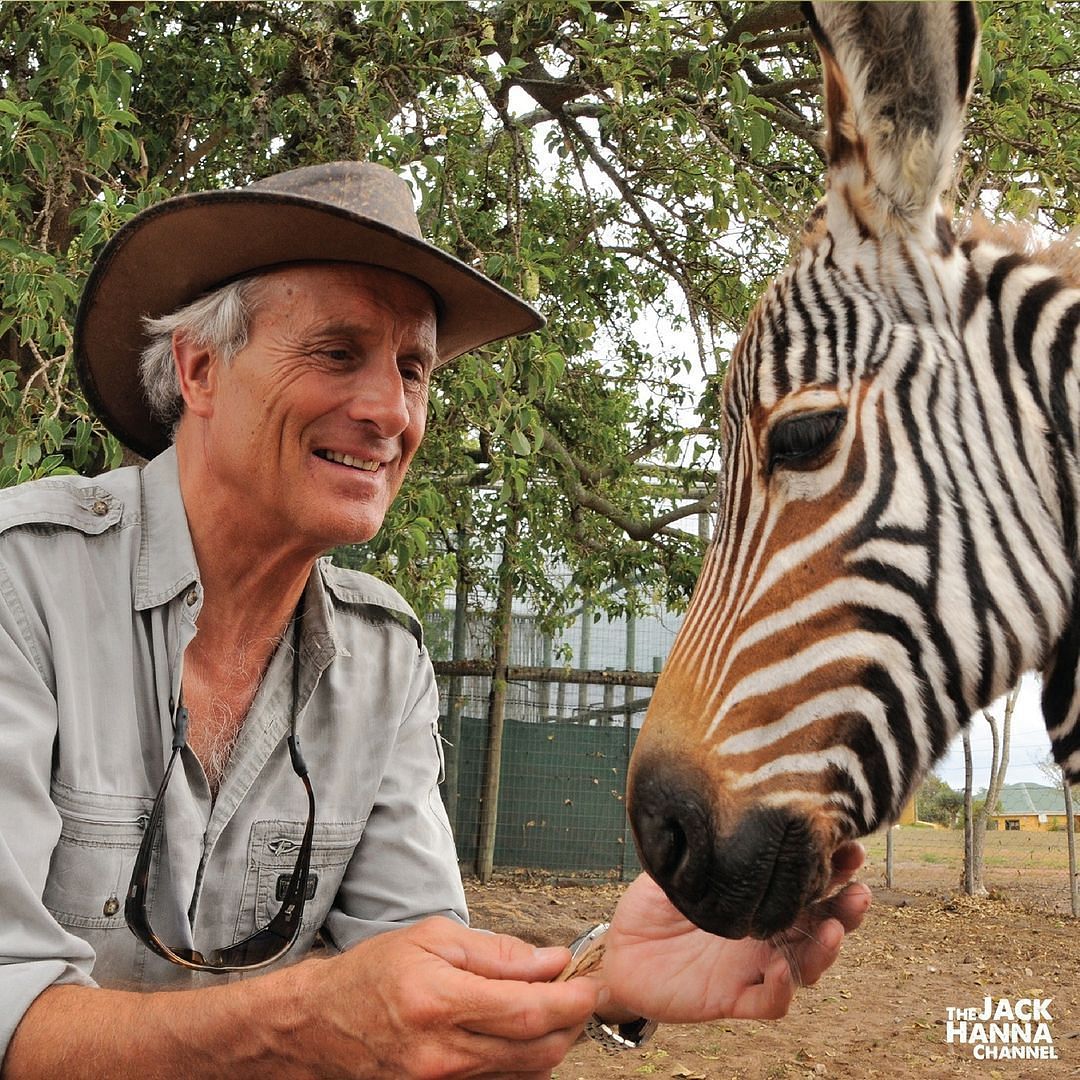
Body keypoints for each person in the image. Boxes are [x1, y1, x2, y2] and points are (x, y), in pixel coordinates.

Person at [0, 161, 871, 1078]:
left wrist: (608, 971)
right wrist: (304, 1018)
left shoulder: (382, 658)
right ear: (201, 368)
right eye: (338, 353)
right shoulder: (25, 587)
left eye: (413, 368)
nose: (389, 411)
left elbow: (421, 1019)